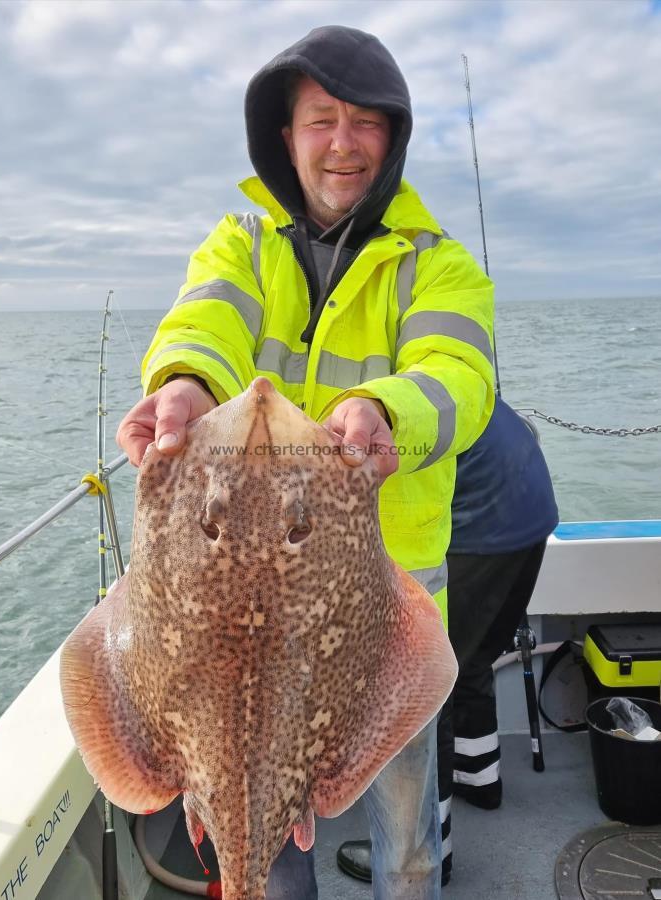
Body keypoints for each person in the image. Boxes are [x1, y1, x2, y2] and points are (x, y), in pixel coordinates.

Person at [117, 25, 495, 900]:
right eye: (320, 118)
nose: (341, 142)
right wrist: (182, 382)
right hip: (216, 628)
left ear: (392, 139)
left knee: (405, 840)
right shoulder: (241, 243)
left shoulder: (438, 267)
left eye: (365, 122)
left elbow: (459, 376)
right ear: (283, 136)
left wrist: (383, 411)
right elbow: (204, 321)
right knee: (270, 852)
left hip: (381, 613)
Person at [336, 397, 559, 886]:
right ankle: (481, 778)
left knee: (426, 691)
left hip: (484, 530)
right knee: (471, 657)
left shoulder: (370, 420)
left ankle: (437, 850)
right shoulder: (432, 388)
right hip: (532, 514)